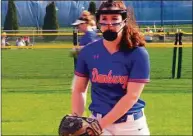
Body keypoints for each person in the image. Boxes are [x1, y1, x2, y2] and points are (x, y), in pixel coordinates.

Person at [71, 0, 150, 135]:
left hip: (130, 126)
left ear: (124, 21)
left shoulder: (137, 53)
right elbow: (79, 89)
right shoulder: (88, 52)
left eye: (114, 19)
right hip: (97, 121)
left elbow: (132, 96)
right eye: (104, 19)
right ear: (98, 22)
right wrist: (76, 120)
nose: (109, 24)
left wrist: (98, 127)